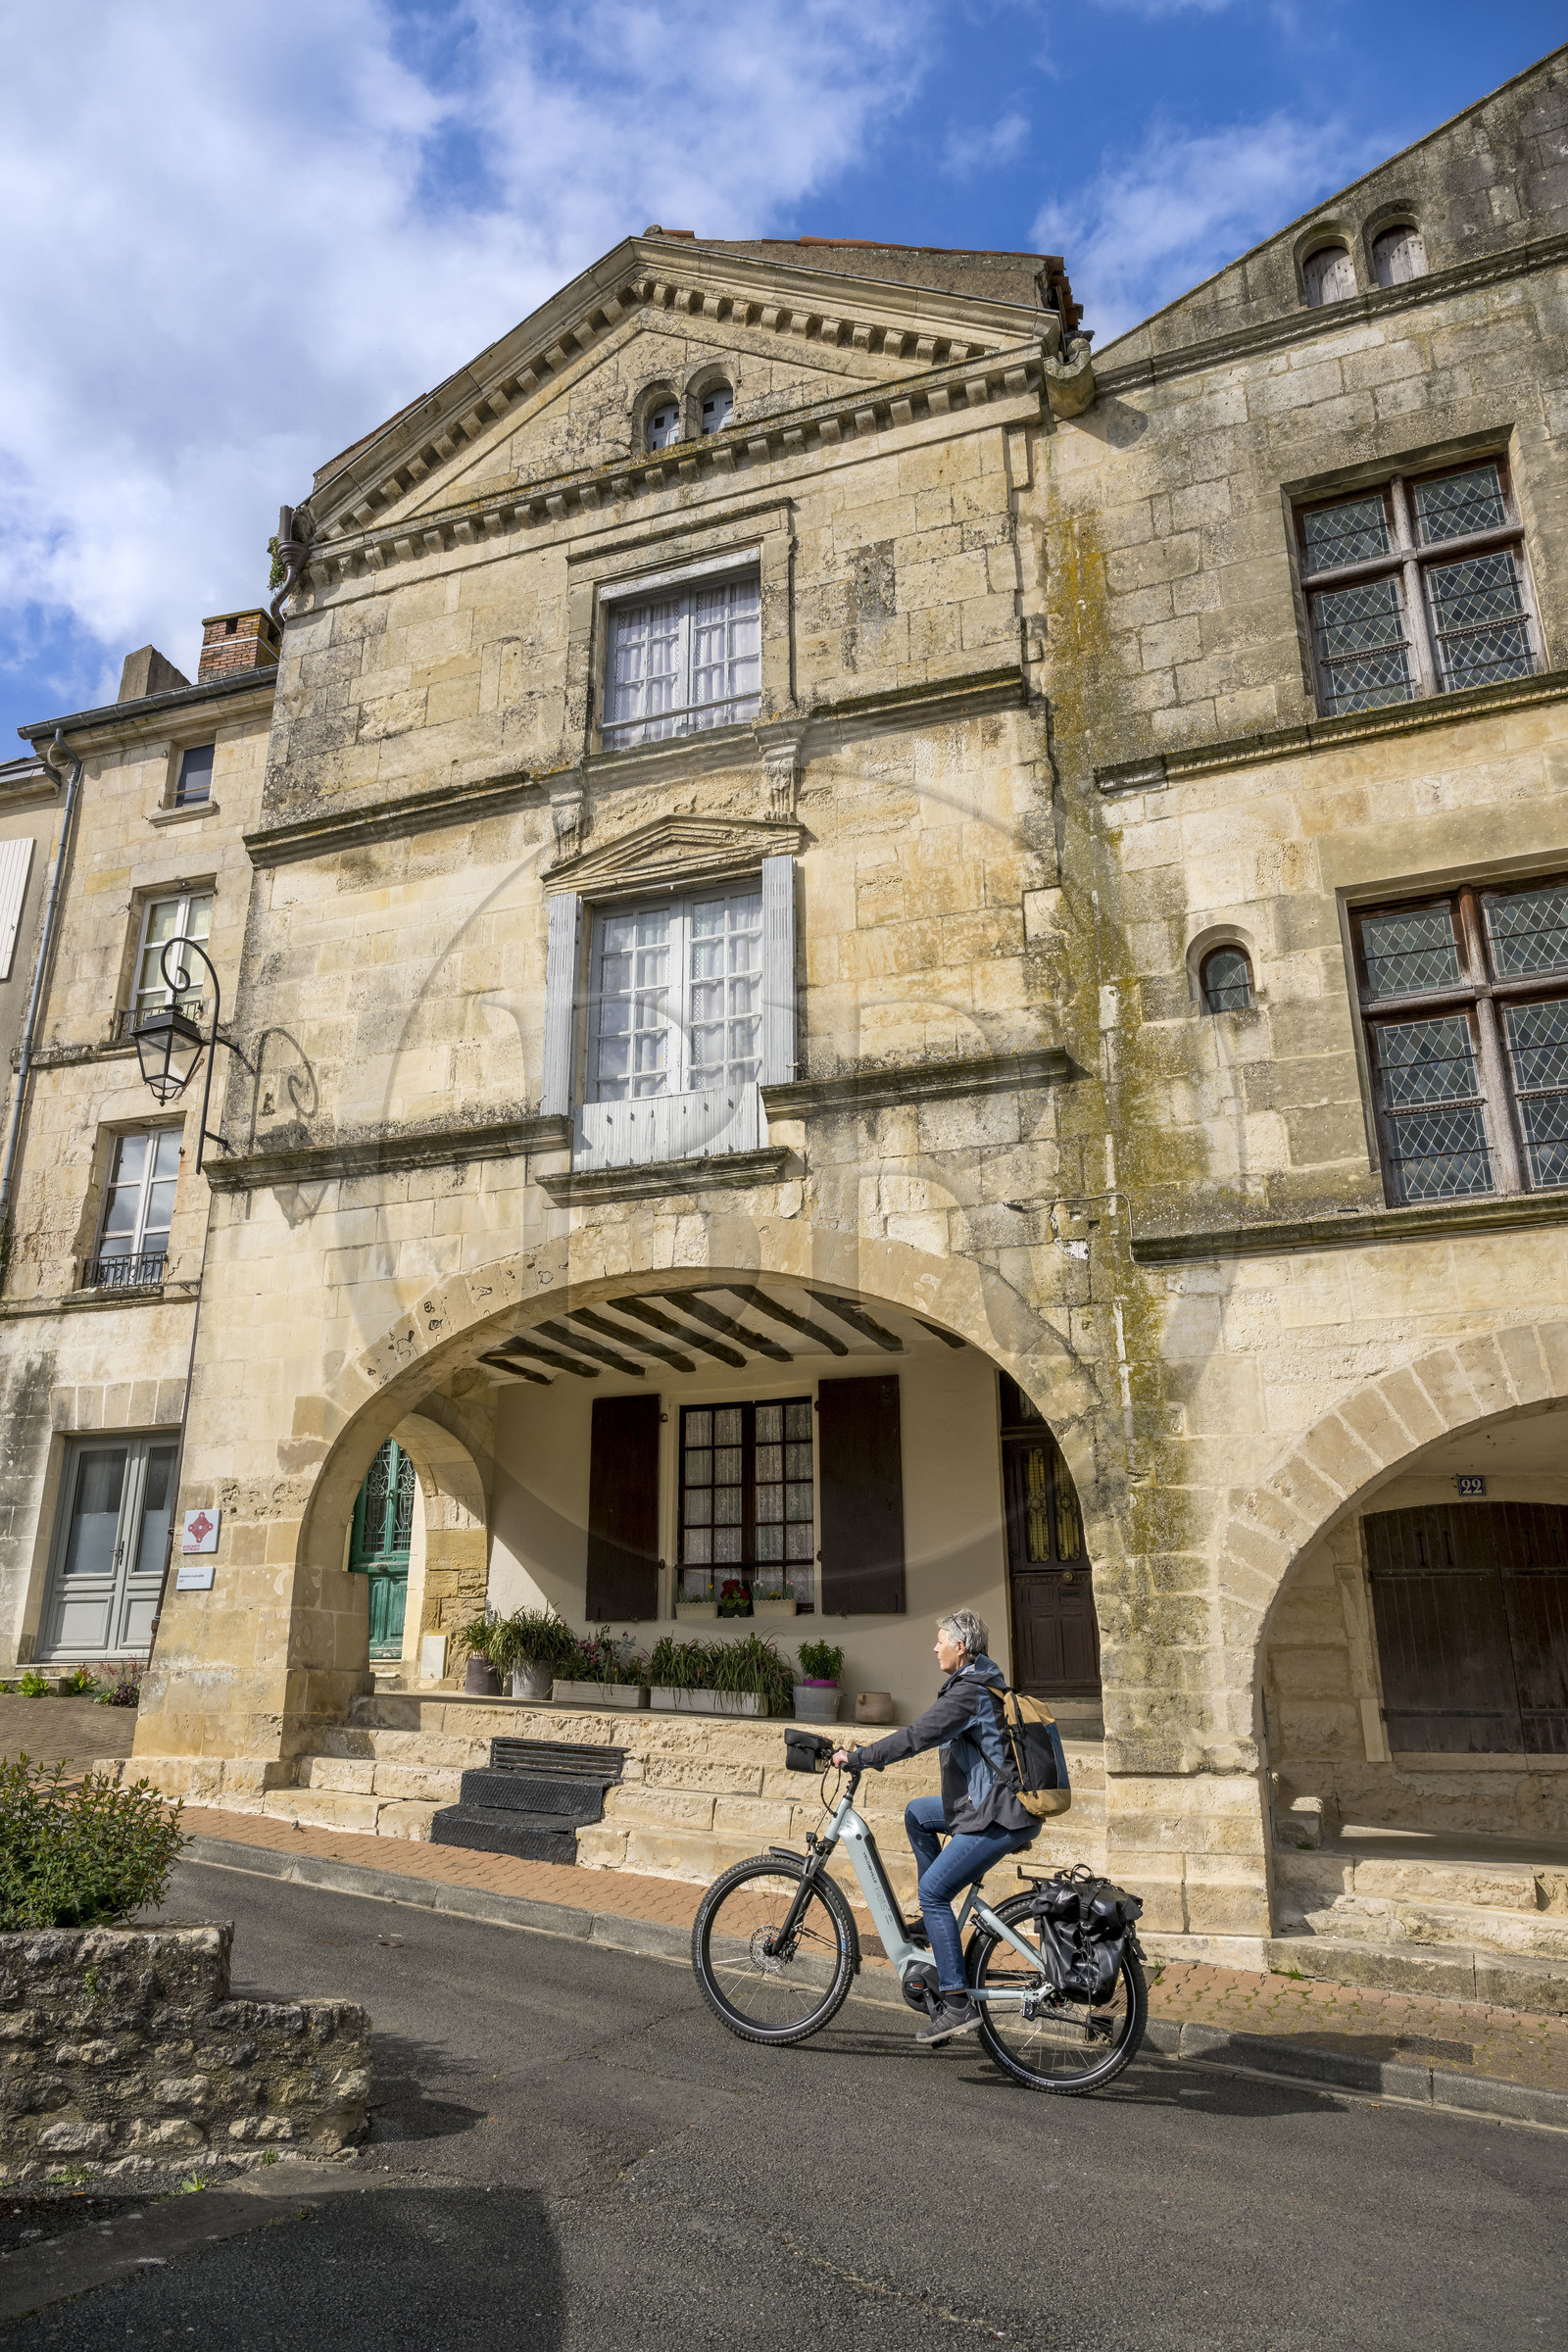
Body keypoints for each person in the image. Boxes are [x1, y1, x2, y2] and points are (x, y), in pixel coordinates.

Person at [832, 1608, 1037, 2045]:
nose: (934, 1647)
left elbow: (916, 1736)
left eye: (940, 1640)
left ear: (960, 1647)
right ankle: (934, 1923)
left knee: (934, 1891)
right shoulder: (977, 1681)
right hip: (991, 1805)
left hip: (998, 1815)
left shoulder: (969, 1692)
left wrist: (860, 1756)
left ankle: (957, 2003)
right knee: (918, 1813)